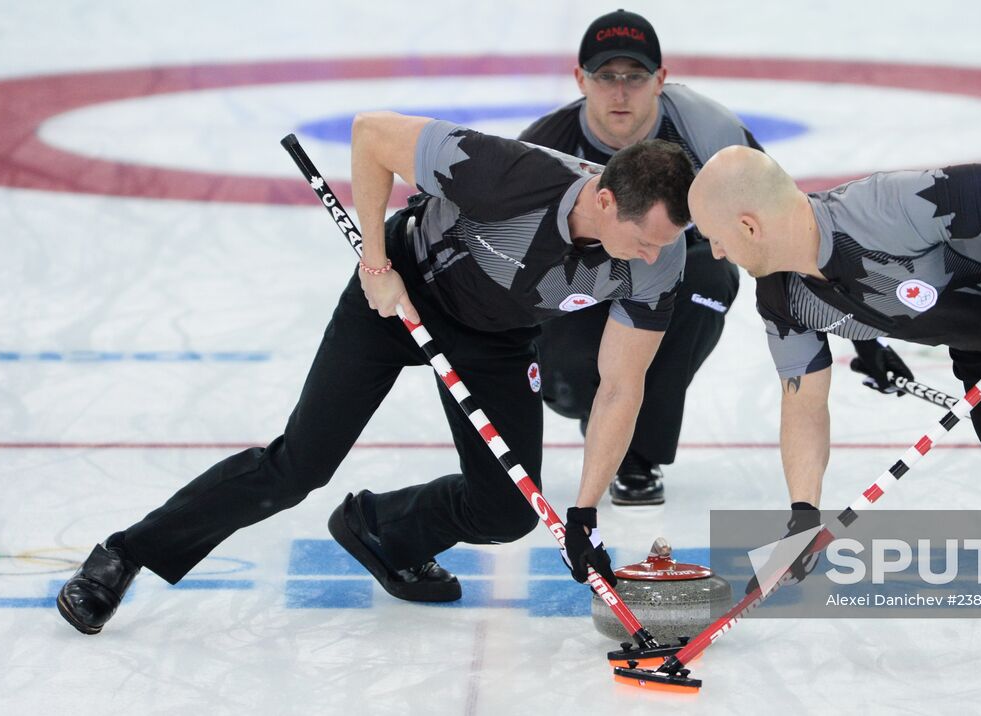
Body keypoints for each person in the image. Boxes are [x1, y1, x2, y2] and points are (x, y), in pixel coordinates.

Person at [55, 111, 695, 633]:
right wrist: (376, 261)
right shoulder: (510, 173)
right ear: (606, 200)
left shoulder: (659, 260)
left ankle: (382, 532)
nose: (655, 256)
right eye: (646, 238)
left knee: (507, 510)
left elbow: (620, 386)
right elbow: (372, 134)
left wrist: (584, 513)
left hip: (495, 340)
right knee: (299, 465)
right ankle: (123, 554)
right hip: (397, 295)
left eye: (667, 242)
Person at [685, 146, 981, 683]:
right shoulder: (785, 298)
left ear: (748, 226)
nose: (718, 252)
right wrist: (803, 513)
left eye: (714, 235)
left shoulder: (886, 206)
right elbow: (803, 403)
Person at [519, 9, 913, 505]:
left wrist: (865, 332)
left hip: (681, 270)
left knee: (708, 277)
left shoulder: (707, 128)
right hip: (583, 276)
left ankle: (638, 455)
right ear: (581, 79)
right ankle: (589, 405)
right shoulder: (542, 147)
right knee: (574, 385)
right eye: (606, 77)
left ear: (661, 79)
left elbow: (789, 226)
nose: (620, 92)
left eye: (635, 77)